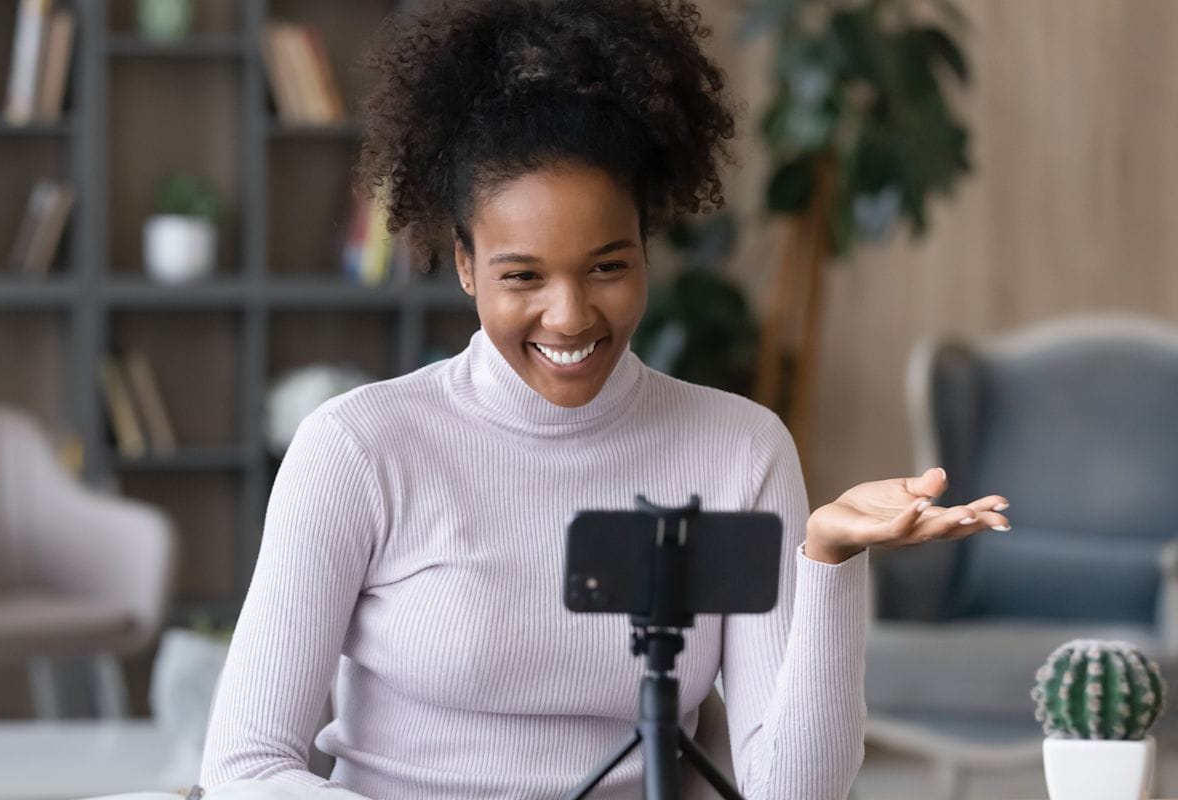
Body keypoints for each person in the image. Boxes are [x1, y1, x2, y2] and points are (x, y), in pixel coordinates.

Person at [200, 1, 1010, 797]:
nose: (571, 315)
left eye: (607, 267)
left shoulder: (739, 448)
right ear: (464, 265)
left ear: (646, 252)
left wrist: (829, 559)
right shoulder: (358, 447)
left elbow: (790, 794)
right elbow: (246, 766)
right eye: (523, 276)